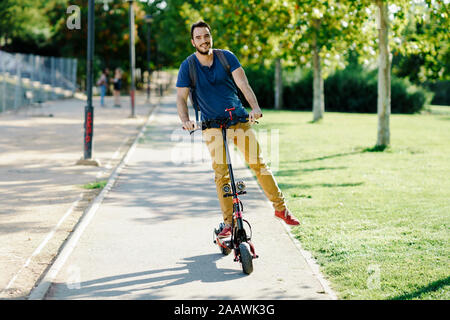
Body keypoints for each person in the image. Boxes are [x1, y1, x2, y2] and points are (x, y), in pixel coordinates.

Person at [176, 21, 299, 238]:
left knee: (258, 164)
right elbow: (181, 97)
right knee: (221, 173)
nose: (203, 40)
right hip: (211, 125)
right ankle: (228, 222)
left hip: (238, 119)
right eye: (198, 38)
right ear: (192, 41)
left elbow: (244, 85)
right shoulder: (188, 66)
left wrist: (255, 107)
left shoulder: (226, 57)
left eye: (206, 36)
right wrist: (186, 120)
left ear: (210, 37)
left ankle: (280, 209)